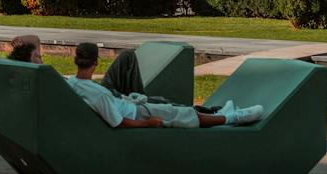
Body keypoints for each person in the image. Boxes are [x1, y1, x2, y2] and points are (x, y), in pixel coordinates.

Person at [66, 42, 263, 128]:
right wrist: (147, 123)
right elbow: (118, 123)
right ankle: (232, 117)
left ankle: (217, 113)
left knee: (166, 105)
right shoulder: (99, 96)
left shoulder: (71, 83)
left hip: (126, 104)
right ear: (96, 62)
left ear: (76, 59)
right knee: (180, 114)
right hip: (134, 113)